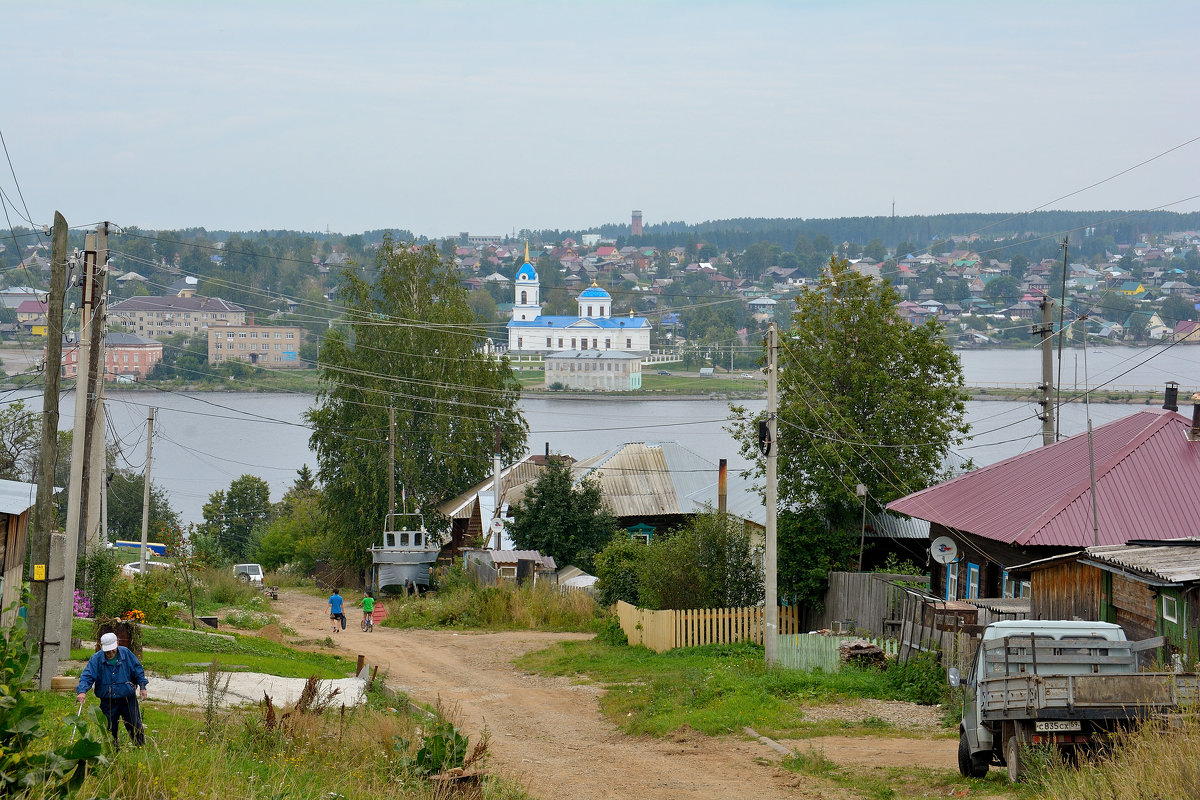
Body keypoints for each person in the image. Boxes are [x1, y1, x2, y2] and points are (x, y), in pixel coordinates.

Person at [76, 632, 148, 750]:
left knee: (135, 725)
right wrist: (82, 691)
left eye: (112, 650)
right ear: (101, 647)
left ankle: (140, 748)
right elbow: (87, 676)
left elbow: (138, 670)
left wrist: (143, 687)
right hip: (107, 700)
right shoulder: (96, 659)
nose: (110, 653)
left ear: (117, 644)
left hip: (127, 699)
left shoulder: (126, 653)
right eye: (107, 651)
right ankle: (112, 751)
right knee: (108, 729)